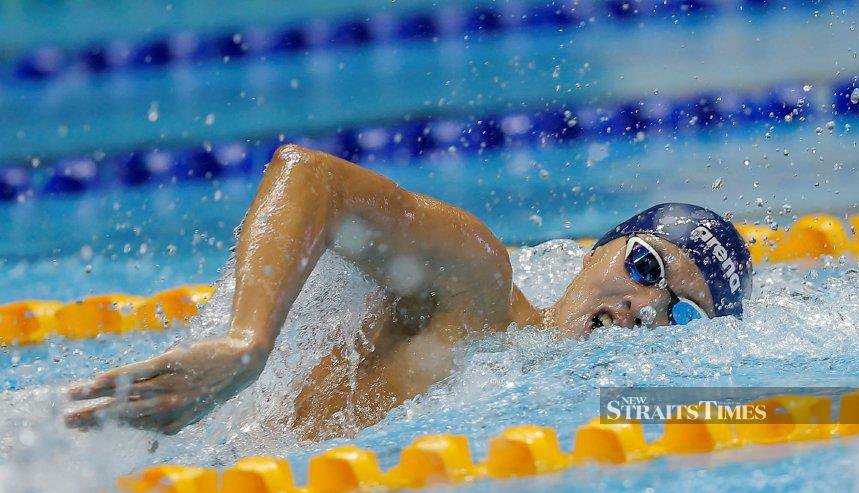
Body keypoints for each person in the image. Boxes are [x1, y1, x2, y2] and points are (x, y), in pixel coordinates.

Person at [65, 145, 752, 437]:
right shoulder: (478, 286)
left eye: (679, 316)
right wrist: (248, 342)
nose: (644, 309)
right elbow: (309, 178)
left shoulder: (546, 398)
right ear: (603, 245)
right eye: (646, 268)